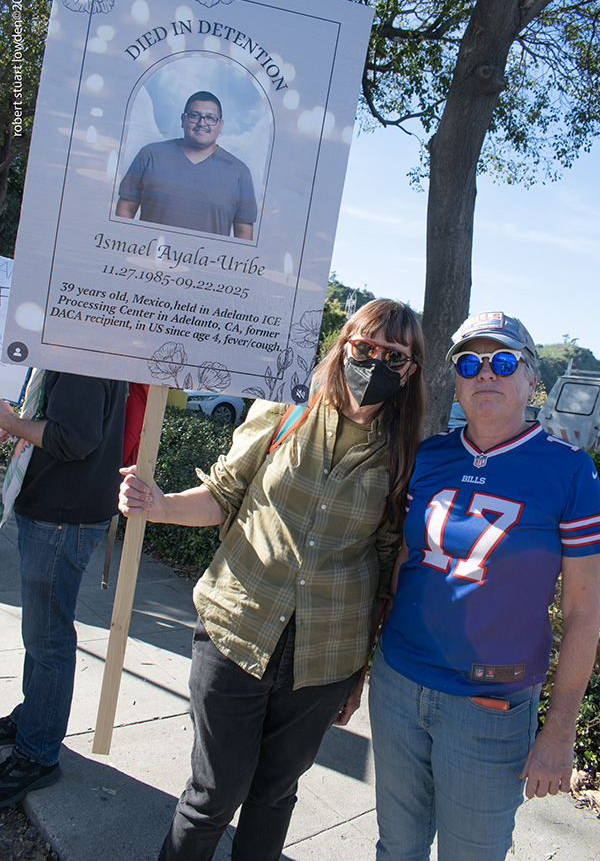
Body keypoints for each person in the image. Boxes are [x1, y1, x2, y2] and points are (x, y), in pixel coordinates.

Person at [118, 299, 425, 861]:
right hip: (237, 627)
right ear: (344, 345)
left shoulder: (404, 452)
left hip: (325, 659)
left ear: (410, 371)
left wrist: (359, 672)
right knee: (213, 795)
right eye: (365, 347)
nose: (376, 363)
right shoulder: (288, 406)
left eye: (394, 356)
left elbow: (387, 567)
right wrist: (160, 505)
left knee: (275, 795)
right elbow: (224, 492)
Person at [369, 311, 600, 861]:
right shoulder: (430, 455)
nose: (486, 373)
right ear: (456, 379)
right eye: (470, 363)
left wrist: (559, 730)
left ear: (532, 378)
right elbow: (404, 561)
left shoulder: (570, 471)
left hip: (489, 705)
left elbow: (584, 611)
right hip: (398, 685)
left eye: (503, 361)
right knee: (396, 848)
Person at [0, 371, 126, 808]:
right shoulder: (85, 348)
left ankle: (37, 754)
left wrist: (12, 423)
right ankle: (32, 719)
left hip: (60, 515)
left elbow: (73, 439)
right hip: (58, 511)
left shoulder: (82, 354)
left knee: (48, 640)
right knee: (41, 635)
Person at [116, 90, 257, 238]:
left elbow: (244, 232)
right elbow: (125, 209)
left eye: (210, 118)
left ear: (220, 125)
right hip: (150, 251)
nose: (202, 123)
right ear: (183, 120)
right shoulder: (150, 155)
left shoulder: (240, 172)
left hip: (206, 254)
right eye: (194, 116)